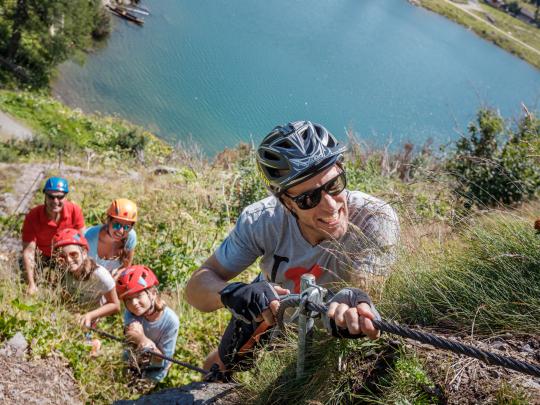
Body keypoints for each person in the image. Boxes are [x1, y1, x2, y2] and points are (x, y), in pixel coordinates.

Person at [185, 120, 400, 378]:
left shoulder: (375, 218)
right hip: (268, 308)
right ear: (286, 202)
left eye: (334, 185)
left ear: (342, 170)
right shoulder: (261, 221)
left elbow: (367, 290)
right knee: (224, 362)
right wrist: (232, 293)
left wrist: (354, 305)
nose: (331, 206)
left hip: (327, 323)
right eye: (309, 198)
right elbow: (195, 290)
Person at [22, 177, 85, 295]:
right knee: (28, 279)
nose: (55, 201)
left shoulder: (74, 211)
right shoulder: (33, 216)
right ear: (45, 196)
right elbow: (29, 251)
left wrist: (79, 267)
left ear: (66, 197)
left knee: (69, 286)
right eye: (51, 196)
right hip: (42, 256)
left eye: (60, 197)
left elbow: (82, 243)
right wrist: (31, 284)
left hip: (65, 256)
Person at [116, 265, 180, 382]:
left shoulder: (171, 321)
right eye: (128, 300)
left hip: (155, 370)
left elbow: (164, 359)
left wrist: (148, 345)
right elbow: (131, 332)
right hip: (132, 360)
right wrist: (143, 340)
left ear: (153, 293)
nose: (134, 303)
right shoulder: (131, 312)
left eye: (139, 295)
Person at [51, 228, 120, 328]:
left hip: (95, 315)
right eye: (62, 257)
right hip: (74, 314)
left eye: (73, 254)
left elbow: (115, 305)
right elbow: (65, 299)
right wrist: (73, 313)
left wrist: (89, 316)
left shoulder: (100, 275)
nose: (68, 260)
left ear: (84, 253)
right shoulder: (62, 274)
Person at [84, 198, 138, 278]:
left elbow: (126, 267)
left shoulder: (131, 236)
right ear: (108, 221)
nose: (121, 231)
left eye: (127, 227)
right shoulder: (88, 237)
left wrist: (114, 278)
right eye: (117, 225)